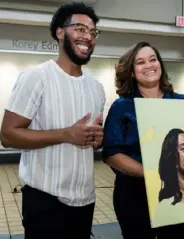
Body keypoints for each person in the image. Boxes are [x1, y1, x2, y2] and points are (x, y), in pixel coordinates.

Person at [0, 2, 105, 239]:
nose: (87, 37)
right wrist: (65, 134)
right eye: (79, 28)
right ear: (60, 32)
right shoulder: (36, 77)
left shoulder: (96, 88)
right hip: (45, 201)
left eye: (92, 32)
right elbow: (7, 135)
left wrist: (97, 139)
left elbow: (93, 140)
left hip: (85, 200)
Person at [102, 41, 184, 239]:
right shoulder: (122, 107)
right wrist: (153, 174)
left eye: (153, 59)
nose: (149, 65)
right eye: (140, 62)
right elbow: (111, 154)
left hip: (178, 192)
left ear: (160, 64)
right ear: (132, 72)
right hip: (134, 194)